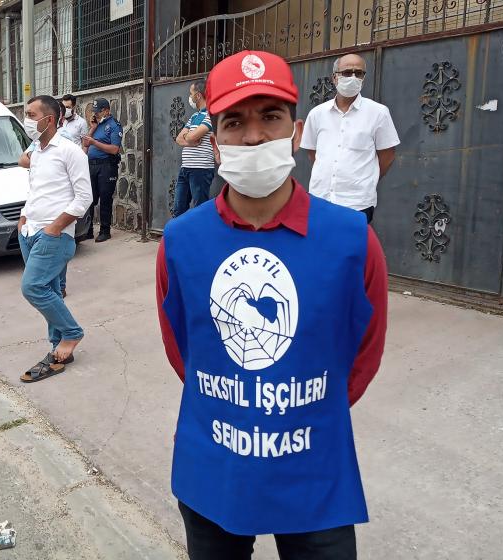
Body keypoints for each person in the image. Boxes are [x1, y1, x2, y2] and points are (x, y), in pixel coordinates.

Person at [155, 51, 388, 559]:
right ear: (214, 143)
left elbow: (363, 353)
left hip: (313, 467)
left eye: (271, 116)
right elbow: (183, 352)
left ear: (296, 131)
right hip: (214, 463)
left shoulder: (351, 239)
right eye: (235, 121)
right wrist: (241, 403)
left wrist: (291, 408)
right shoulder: (181, 241)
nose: (255, 136)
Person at [18, 95, 92, 383]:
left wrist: (55, 227)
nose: (26, 119)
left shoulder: (70, 151)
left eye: (30, 114)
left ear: (49, 119)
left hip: (54, 234)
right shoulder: (37, 151)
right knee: (49, 289)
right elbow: (38, 189)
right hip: (29, 231)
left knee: (33, 287)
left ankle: (72, 333)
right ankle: (57, 347)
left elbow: (84, 197)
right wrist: (24, 216)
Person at [300, 53, 400, 223]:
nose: (353, 77)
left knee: (353, 249)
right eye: (347, 73)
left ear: (363, 78)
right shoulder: (317, 114)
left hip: (358, 203)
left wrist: (365, 179)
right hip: (320, 199)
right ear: (334, 77)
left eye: (358, 73)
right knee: (320, 247)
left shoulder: (378, 113)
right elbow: (313, 153)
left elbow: (387, 156)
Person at [81, 98, 122, 243]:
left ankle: (105, 230)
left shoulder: (114, 126)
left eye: (98, 112)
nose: (96, 114)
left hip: (106, 166)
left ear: (106, 110)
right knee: (90, 198)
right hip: (91, 165)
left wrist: (94, 143)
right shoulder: (96, 126)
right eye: (95, 112)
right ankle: (88, 230)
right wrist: (92, 128)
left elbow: (114, 149)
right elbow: (85, 145)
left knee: (105, 198)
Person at [173, 79, 215, 217]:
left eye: (191, 93)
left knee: (199, 210)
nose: (189, 97)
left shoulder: (211, 115)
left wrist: (189, 137)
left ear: (198, 95)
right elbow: (179, 138)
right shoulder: (194, 116)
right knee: (179, 209)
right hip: (185, 168)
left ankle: (201, 238)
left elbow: (190, 136)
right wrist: (190, 140)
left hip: (201, 169)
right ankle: (180, 238)